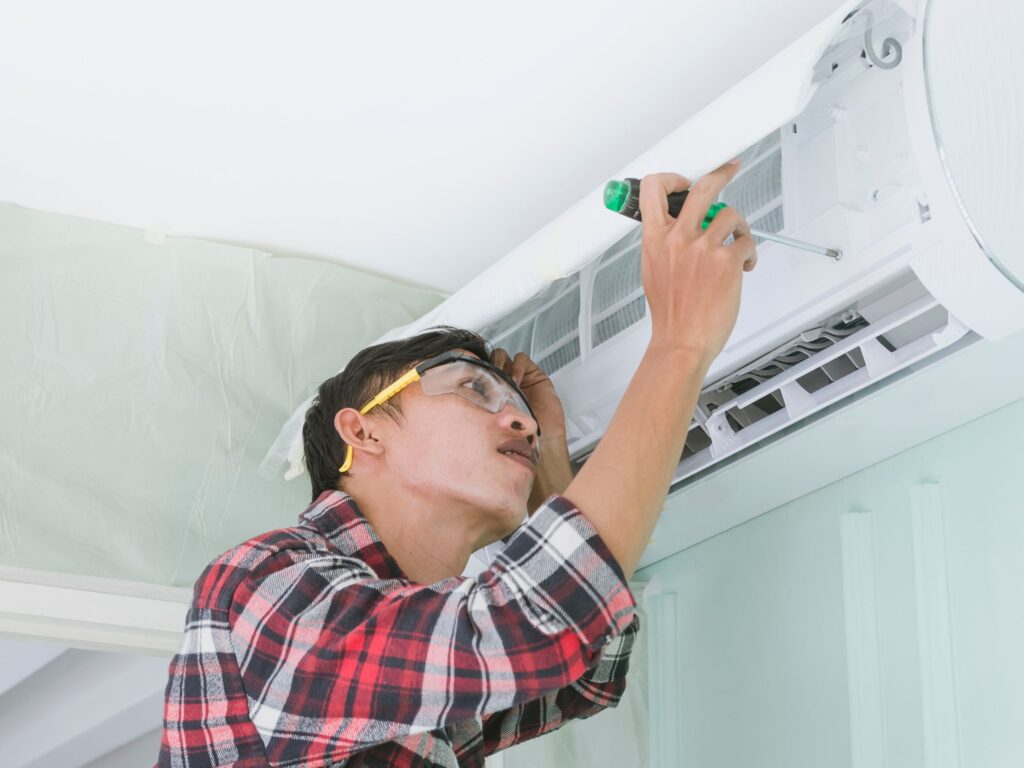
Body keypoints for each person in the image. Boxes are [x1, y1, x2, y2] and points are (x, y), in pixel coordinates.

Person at [157, 161, 757, 767]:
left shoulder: (414, 643)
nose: (521, 420)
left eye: (519, 408)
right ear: (361, 431)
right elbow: (532, 626)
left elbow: (584, 677)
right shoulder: (263, 582)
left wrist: (548, 465)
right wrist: (679, 342)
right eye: (473, 388)